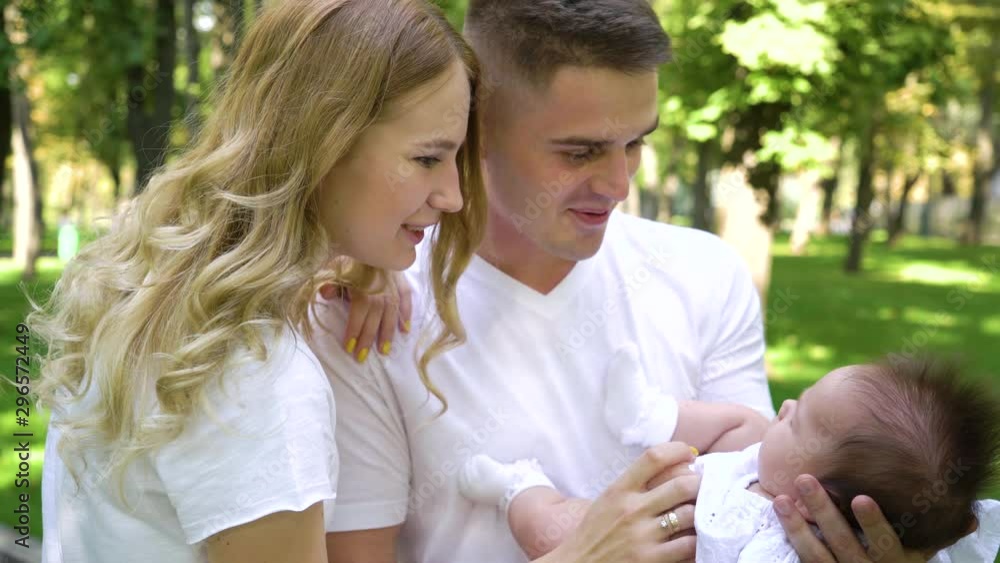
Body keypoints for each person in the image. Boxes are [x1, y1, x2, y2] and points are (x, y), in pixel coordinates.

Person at [315, 1, 980, 562]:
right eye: (580, 151)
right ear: (473, 127)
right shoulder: (369, 307)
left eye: (635, 143)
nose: (618, 184)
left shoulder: (706, 275)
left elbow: (765, 494)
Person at [34, 1, 485, 562]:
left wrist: (356, 255)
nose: (453, 196)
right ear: (324, 139)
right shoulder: (261, 379)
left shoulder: (153, 292)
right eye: (426, 159)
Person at [460, 349, 1000, 562]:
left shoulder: (777, 551)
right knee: (746, 424)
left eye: (800, 420)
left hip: (649, 545)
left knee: (557, 530)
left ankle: (518, 487)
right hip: (673, 499)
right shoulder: (771, 464)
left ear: (810, 500)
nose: (785, 406)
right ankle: (646, 414)